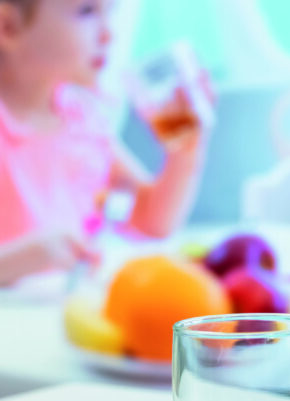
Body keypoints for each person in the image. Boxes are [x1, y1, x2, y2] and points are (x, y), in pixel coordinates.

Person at [0, 0, 208, 286]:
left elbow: (152, 220)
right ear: (7, 27)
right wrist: (24, 258)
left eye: (111, 12)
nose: (109, 34)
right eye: (87, 11)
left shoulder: (82, 118)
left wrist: (184, 152)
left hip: (66, 308)